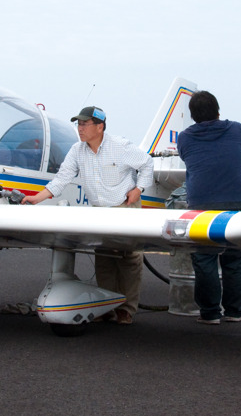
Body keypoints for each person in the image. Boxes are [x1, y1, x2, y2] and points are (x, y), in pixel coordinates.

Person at [22, 106, 153, 324]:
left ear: (100, 127)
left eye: (84, 124)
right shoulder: (77, 150)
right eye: (78, 124)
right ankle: (108, 307)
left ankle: (126, 310)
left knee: (129, 258)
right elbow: (62, 177)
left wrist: (139, 189)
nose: (80, 128)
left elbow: (147, 163)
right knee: (104, 258)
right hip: (99, 211)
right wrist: (37, 198)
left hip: (124, 206)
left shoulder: (120, 146)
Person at [176, 90, 241, 325]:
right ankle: (235, 311)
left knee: (204, 259)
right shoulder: (236, 129)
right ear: (218, 111)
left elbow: (188, 158)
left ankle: (209, 312)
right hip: (236, 201)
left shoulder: (184, 138)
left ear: (193, 116)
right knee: (234, 258)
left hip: (201, 204)